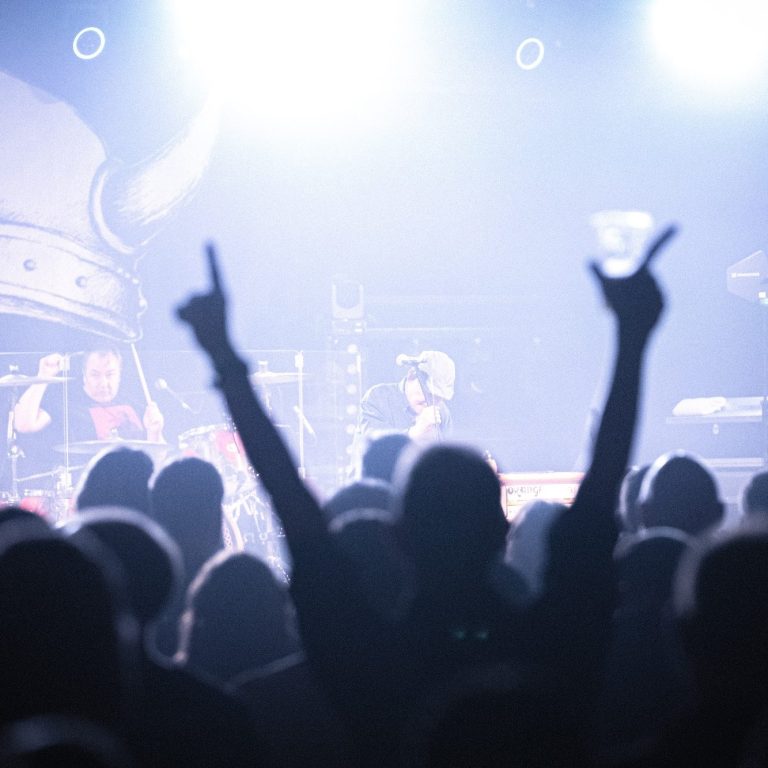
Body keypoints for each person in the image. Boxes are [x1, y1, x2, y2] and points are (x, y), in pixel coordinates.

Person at [11, 349, 165, 483]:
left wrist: (155, 432)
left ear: (120, 375)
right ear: (84, 375)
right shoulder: (67, 403)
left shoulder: (137, 405)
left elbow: (159, 463)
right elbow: (24, 424)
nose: (103, 383)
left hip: (134, 490)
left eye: (110, 374)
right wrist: (43, 376)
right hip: (89, 494)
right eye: (95, 375)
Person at [358, 352, 455, 443]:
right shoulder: (378, 398)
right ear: (411, 375)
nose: (431, 401)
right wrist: (415, 433)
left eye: (438, 398)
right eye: (428, 393)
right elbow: (373, 446)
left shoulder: (442, 412)